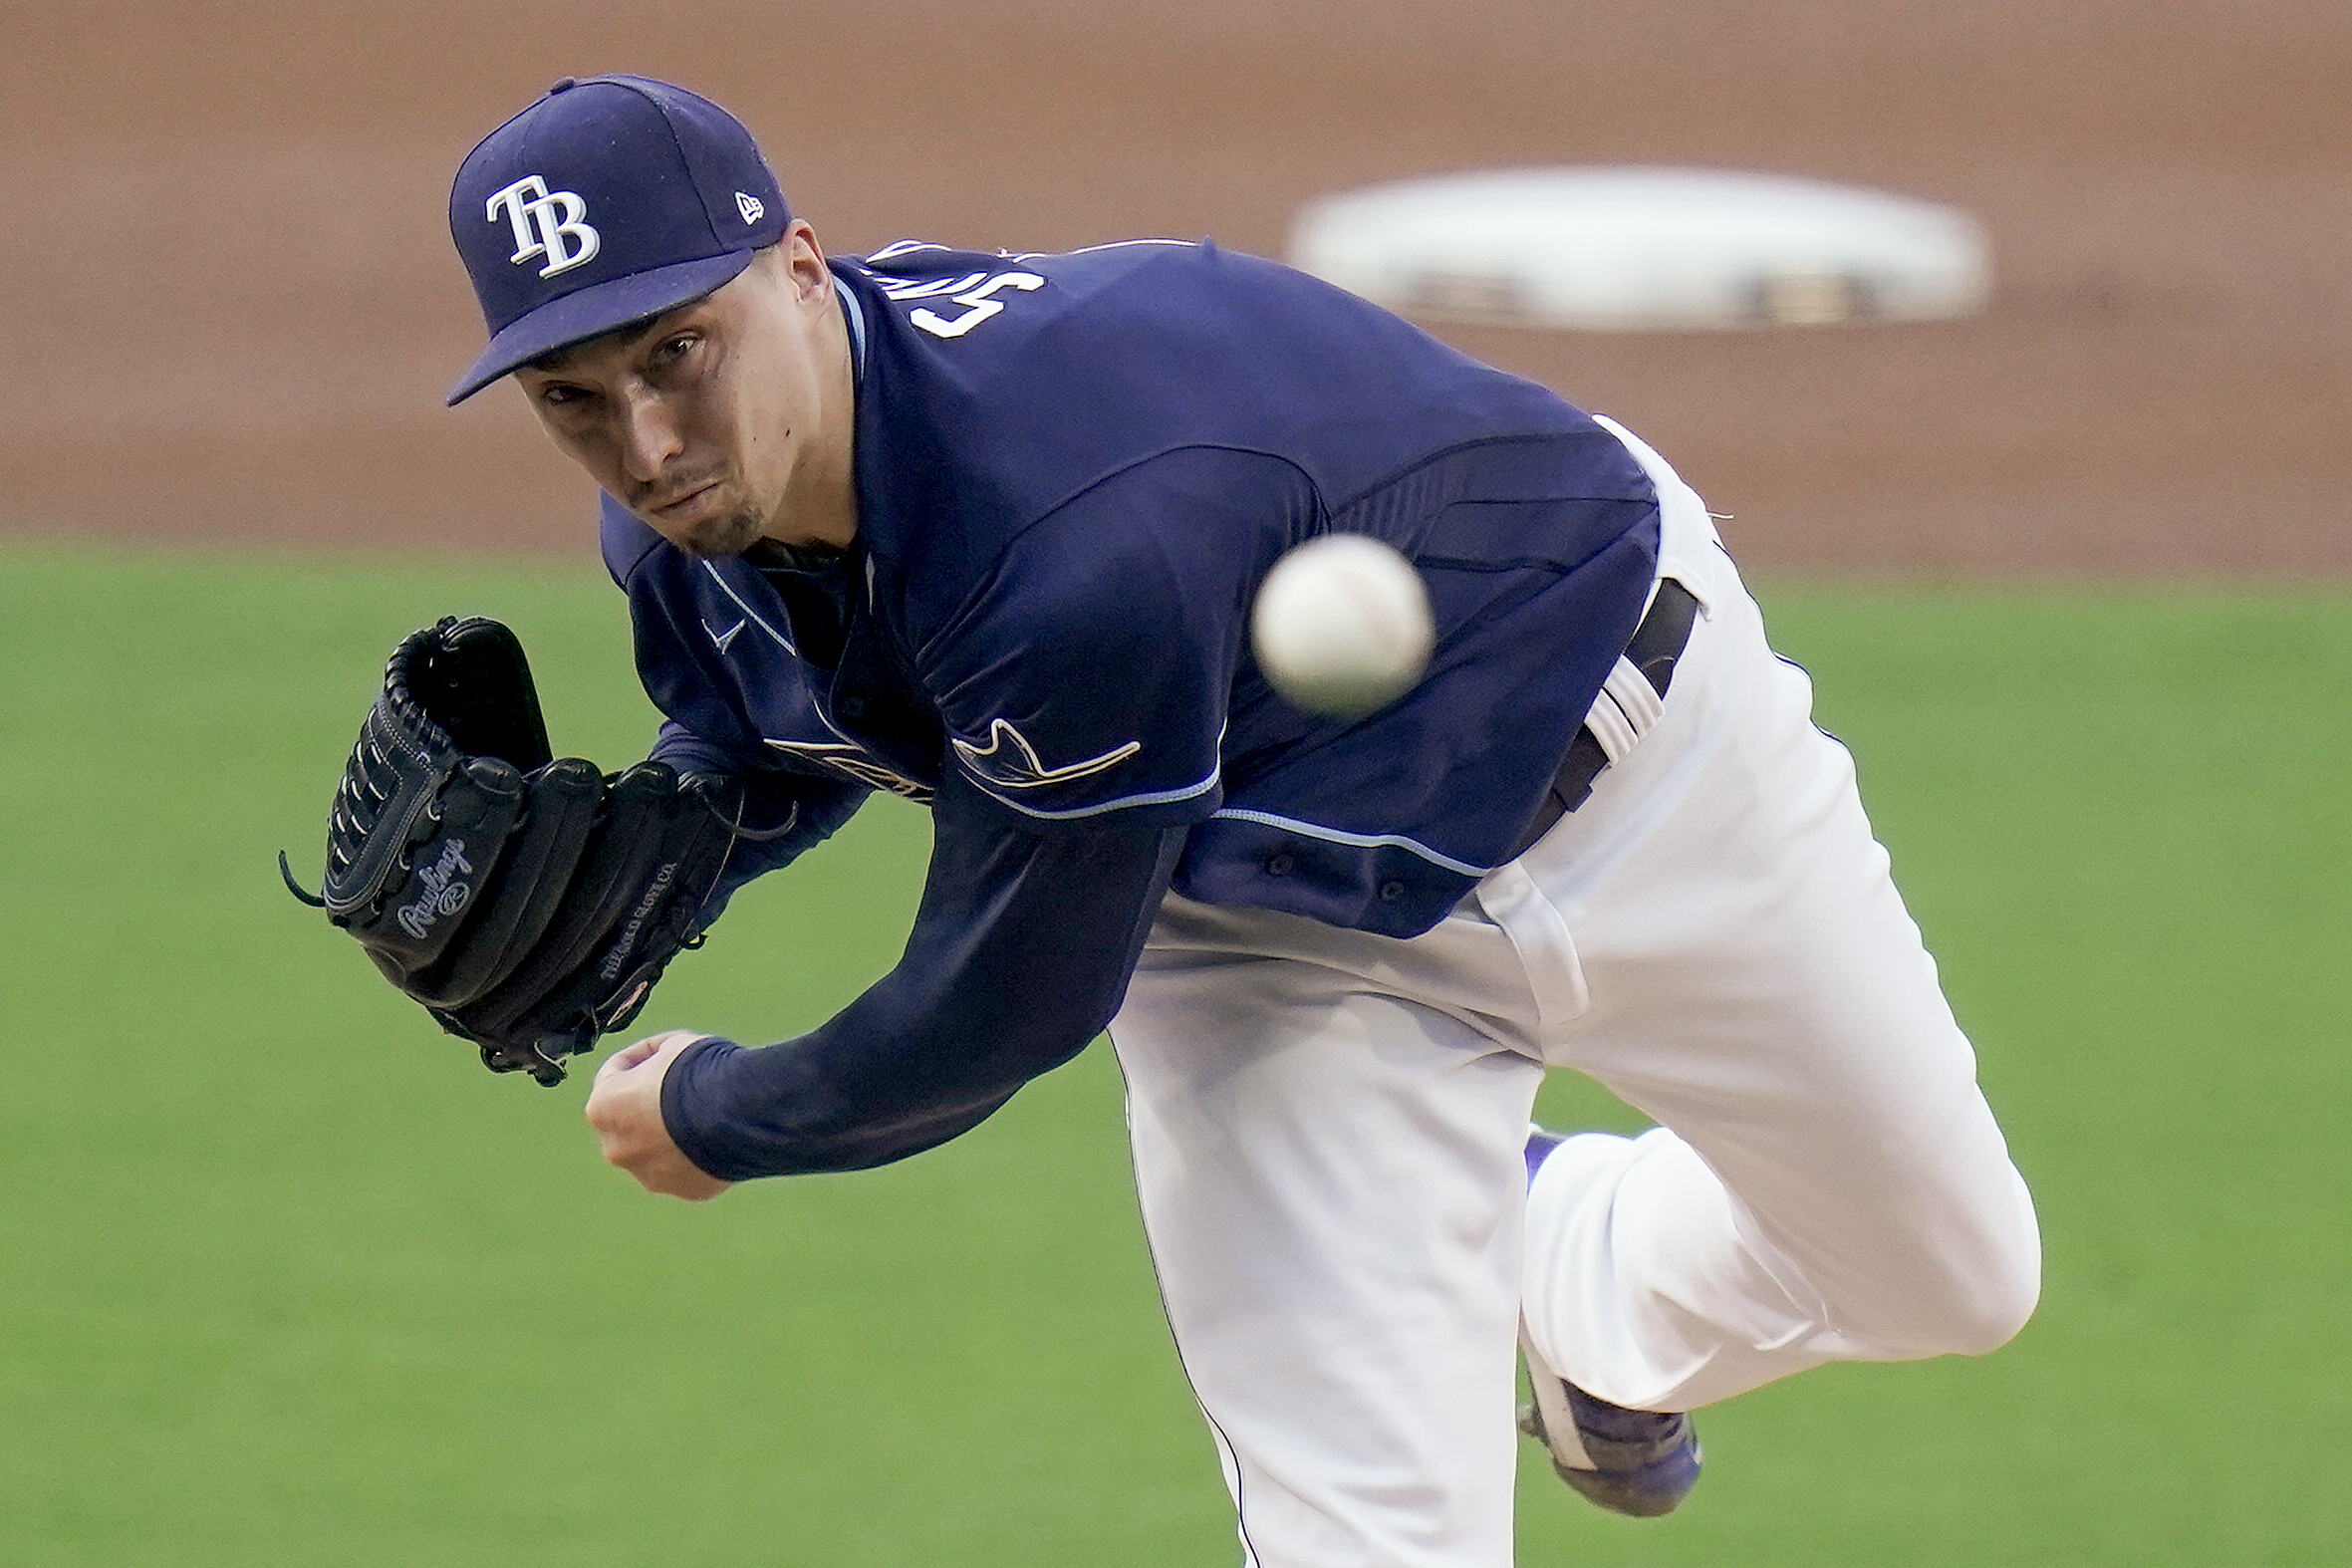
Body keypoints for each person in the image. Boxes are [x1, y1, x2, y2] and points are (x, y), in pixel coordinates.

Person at [443, 75, 2040, 1567]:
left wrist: (726, 1110)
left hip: (1658, 771)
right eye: (572, 393)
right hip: (1265, 938)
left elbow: (1003, 1002)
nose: (646, 445)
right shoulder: (683, 530)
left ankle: (1563, 1259)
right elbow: (786, 724)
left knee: (1948, 1275)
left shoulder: (1067, 535)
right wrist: (679, 832)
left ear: (797, 269)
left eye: (677, 353)